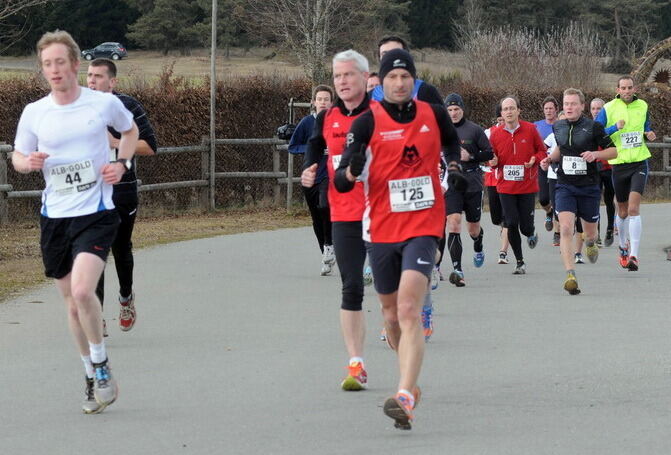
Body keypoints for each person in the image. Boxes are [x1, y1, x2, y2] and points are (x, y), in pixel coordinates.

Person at [335, 49, 463, 430]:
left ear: (413, 79)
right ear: (383, 82)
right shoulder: (365, 123)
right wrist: (352, 171)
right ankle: (409, 379)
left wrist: (453, 167)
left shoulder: (433, 112)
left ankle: (405, 395)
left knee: (409, 309)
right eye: (392, 77)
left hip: (424, 222)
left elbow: (451, 144)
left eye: (405, 76)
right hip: (382, 228)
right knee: (391, 316)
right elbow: (343, 179)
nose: (399, 82)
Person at [12, 30, 138, 414]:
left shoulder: (101, 104)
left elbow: (130, 132)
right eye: (47, 64)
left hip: (96, 212)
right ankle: (89, 372)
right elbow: (18, 157)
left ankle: (101, 364)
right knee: (70, 305)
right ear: (43, 68)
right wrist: (27, 163)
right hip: (55, 217)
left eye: (60, 62)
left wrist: (121, 163)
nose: (54, 70)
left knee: (84, 292)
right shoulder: (35, 112)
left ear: (74, 65)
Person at [301, 50, 371, 391]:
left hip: (383, 211)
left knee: (391, 296)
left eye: (348, 75)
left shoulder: (381, 113)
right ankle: (356, 363)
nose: (342, 81)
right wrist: (310, 168)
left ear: (364, 77)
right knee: (352, 285)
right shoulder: (327, 117)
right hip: (344, 211)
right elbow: (314, 146)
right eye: (337, 75)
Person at [87, 58, 157, 334]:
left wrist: (116, 143)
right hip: (90, 193)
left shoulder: (128, 106)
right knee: (94, 253)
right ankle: (97, 316)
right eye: (89, 76)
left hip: (122, 191)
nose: (91, 81)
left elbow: (150, 146)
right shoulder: (77, 108)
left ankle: (126, 297)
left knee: (120, 249)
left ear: (112, 82)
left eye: (98, 77)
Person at [541, 88, 616, 294]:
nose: (570, 107)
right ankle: (570, 274)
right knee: (566, 228)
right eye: (566, 104)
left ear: (582, 106)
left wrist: (595, 154)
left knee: (589, 232)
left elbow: (614, 150)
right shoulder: (558, 126)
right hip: (565, 185)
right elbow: (560, 148)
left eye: (574, 104)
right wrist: (549, 159)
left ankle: (591, 242)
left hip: (589, 187)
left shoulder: (594, 127)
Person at [595, 76, 656, 271]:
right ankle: (623, 246)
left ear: (634, 88)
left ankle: (634, 256)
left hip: (639, 162)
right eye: (623, 88)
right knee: (621, 211)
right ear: (618, 89)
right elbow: (596, 132)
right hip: (619, 164)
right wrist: (615, 127)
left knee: (633, 209)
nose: (627, 91)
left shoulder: (643, 105)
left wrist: (649, 133)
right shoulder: (609, 108)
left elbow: (645, 126)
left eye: (630, 87)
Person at [489, 96, 547, 274]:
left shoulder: (530, 129)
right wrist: (492, 161)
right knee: (511, 222)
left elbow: (542, 151)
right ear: (501, 113)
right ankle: (520, 261)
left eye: (512, 108)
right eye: (505, 109)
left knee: (525, 227)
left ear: (518, 110)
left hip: (527, 186)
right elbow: (490, 157)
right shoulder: (496, 134)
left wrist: (534, 159)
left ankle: (531, 233)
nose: (508, 112)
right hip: (505, 187)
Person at [443, 93, 493, 286]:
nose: (453, 113)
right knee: (453, 223)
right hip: (451, 184)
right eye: (450, 110)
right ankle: (458, 270)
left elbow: (489, 153)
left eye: (456, 109)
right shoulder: (441, 131)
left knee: (473, 229)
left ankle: (478, 244)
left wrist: (470, 157)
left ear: (462, 109)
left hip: (472, 182)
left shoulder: (474, 130)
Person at [288, 85, 335, 275]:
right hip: (311, 176)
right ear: (313, 102)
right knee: (316, 217)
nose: (323, 102)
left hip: (330, 175)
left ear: (332, 103)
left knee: (325, 206)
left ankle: (330, 245)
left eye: (326, 99)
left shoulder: (338, 122)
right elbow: (293, 146)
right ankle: (326, 254)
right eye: (320, 99)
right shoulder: (307, 123)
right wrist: (311, 150)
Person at [369, 36, 443, 105]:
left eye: (396, 52)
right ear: (379, 59)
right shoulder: (370, 96)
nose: (390, 57)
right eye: (385, 54)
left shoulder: (425, 91)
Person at [482, 105, 510, 264]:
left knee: (508, 217)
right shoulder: (488, 133)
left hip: (507, 180)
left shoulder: (512, 133)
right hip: (492, 178)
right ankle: (503, 227)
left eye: (504, 120)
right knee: (495, 217)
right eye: (499, 120)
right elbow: (481, 152)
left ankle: (503, 252)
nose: (502, 123)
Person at [590, 97, 616, 247]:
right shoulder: (588, 125)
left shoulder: (611, 124)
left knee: (609, 200)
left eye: (599, 108)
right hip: (596, 168)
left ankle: (610, 228)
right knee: (595, 200)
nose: (595, 112)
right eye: (593, 109)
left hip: (610, 167)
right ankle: (597, 234)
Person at [533, 96, 559, 233]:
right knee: (543, 199)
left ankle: (557, 232)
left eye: (551, 108)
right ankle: (549, 212)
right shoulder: (536, 126)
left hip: (557, 168)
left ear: (556, 110)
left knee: (556, 200)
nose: (548, 111)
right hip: (543, 166)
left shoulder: (561, 125)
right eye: (546, 108)